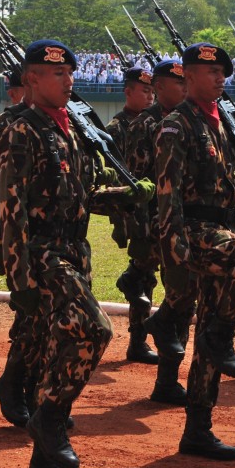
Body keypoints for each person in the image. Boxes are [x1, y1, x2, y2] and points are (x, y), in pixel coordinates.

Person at [3, 40, 152, 468]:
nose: (69, 80)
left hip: (74, 251)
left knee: (57, 348)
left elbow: (82, 193)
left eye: (70, 72)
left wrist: (125, 196)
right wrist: (20, 277)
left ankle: (44, 467)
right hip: (41, 253)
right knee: (95, 329)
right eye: (57, 74)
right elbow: (9, 208)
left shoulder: (70, 128)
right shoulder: (20, 130)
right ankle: (48, 418)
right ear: (31, 79)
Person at [155, 42, 235, 459]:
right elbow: (168, 193)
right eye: (211, 72)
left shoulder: (221, 122)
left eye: (222, 72)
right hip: (193, 232)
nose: (219, 78)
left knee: (208, 343)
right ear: (189, 76)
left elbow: (226, 187)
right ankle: (220, 331)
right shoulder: (177, 124)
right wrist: (174, 247)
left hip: (222, 228)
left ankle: (198, 429)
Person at [125, 59, 192, 404]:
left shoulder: (187, 120)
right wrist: (139, 231)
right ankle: (159, 370)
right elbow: (136, 181)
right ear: (160, 87)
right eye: (178, 83)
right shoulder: (144, 124)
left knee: (182, 298)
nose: (184, 89)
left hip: (181, 222)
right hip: (156, 224)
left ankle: (168, 378)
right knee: (176, 294)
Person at [0, 69, 36, 427]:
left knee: (40, 317)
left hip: (46, 236)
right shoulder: (7, 126)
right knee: (30, 314)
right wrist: (1, 241)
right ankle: (14, 384)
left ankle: (28, 390)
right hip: (12, 234)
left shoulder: (46, 122)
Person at [107, 66, 158, 364]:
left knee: (145, 274)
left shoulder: (155, 121)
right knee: (144, 276)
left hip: (154, 205)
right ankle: (138, 341)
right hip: (134, 208)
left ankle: (139, 341)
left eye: (153, 91)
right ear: (128, 92)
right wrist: (122, 218)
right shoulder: (116, 128)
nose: (150, 96)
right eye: (145, 91)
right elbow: (116, 175)